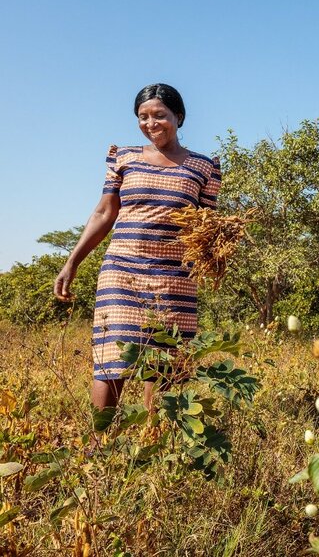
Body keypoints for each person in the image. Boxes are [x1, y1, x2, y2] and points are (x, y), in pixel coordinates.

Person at [54, 83, 221, 411]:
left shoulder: (203, 168)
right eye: (142, 117)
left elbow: (207, 224)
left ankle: (154, 444)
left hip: (175, 280)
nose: (151, 123)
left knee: (167, 366)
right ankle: (101, 447)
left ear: (179, 117)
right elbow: (104, 212)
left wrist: (217, 251)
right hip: (122, 273)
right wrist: (72, 262)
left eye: (160, 115)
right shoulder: (124, 157)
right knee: (110, 361)